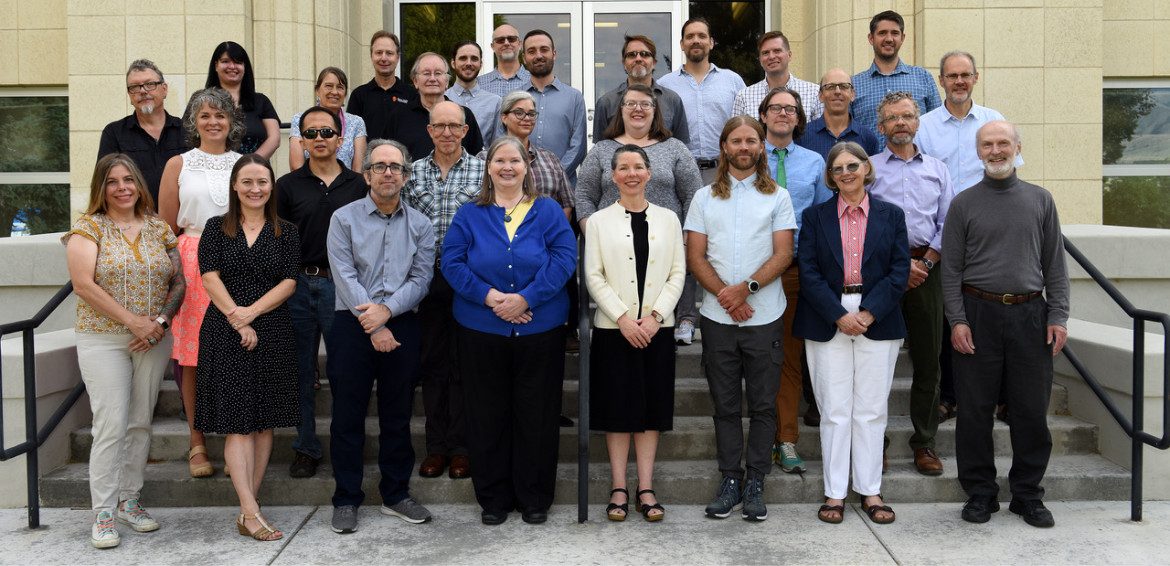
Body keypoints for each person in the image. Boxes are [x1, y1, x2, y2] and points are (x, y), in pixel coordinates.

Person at [441, 136, 577, 525]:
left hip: (541, 327)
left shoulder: (548, 210)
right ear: (488, 167)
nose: (507, 167)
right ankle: (494, 499)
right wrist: (491, 298)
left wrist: (526, 298)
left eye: (514, 160)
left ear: (526, 167)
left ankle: (534, 498)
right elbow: (451, 262)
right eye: (499, 160)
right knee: (487, 414)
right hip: (480, 328)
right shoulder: (469, 213)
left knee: (537, 414)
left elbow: (565, 258)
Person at [942, 120, 1069, 529]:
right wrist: (957, 321)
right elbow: (951, 271)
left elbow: (1055, 265)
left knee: (1031, 410)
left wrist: (1058, 316)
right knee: (975, 411)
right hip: (978, 313)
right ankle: (980, 493)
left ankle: (1028, 495)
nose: (995, 150)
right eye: (987, 144)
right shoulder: (963, 203)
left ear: (1017, 148)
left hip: (1031, 315)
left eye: (1003, 143)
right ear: (978, 152)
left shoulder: (1040, 200)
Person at [64, 154, 185, 549]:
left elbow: (178, 282)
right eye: (113, 181)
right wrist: (134, 322)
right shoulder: (88, 228)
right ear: (102, 187)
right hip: (104, 337)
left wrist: (160, 323)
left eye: (128, 179)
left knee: (139, 422)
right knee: (111, 423)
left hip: (153, 338)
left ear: (138, 184)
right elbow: (83, 285)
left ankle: (130, 500)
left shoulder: (158, 228)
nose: (122, 187)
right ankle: (103, 512)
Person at [685, 116, 796, 522]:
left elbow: (784, 253)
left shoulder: (778, 197)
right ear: (724, 147)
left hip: (764, 315)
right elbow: (695, 256)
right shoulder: (703, 198)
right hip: (717, 317)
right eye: (737, 140)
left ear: (761, 146)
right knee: (726, 405)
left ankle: (756, 482)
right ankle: (730, 479)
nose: (744, 146)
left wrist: (745, 289)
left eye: (751, 140)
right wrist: (727, 297)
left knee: (764, 406)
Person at [794, 141, 910, 525]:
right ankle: (835, 493)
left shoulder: (891, 216)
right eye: (837, 168)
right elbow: (807, 271)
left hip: (878, 315)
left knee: (872, 411)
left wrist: (868, 312)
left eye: (852, 165)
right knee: (835, 411)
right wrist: (838, 315)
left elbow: (899, 270)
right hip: (828, 316)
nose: (845, 173)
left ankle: (871, 490)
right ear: (830, 176)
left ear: (866, 168)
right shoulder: (815, 217)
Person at [326, 139, 437, 534]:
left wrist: (387, 313)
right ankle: (346, 498)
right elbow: (343, 274)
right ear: (366, 173)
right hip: (351, 325)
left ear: (406, 176)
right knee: (347, 417)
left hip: (402, 325)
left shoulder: (421, 225)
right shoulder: (343, 218)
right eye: (379, 166)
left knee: (397, 415)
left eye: (395, 167)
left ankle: (396, 494)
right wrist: (374, 322)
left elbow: (421, 278)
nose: (388, 172)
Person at [195, 154, 300, 541]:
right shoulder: (215, 228)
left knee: (264, 420)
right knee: (238, 422)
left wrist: (251, 314)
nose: (256, 189)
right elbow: (208, 276)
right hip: (224, 330)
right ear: (235, 186)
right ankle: (251, 511)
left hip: (272, 328)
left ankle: (248, 507)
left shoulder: (285, 231)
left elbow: (290, 281)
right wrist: (237, 319)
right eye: (248, 182)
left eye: (263, 182)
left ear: (272, 186)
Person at [914, 50, 1021, 423]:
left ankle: (1004, 397)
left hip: (992, 233)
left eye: (965, 75)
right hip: (947, 233)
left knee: (995, 313)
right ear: (940, 81)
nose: (958, 81)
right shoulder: (925, 126)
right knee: (949, 314)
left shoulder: (994, 122)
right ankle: (949, 396)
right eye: (951, 76)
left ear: (976, 78)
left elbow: (1010, 175)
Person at [585, 144, 686, 522]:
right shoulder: (597, 221)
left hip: (657, 329)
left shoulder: (669, 219)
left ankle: (645, 487)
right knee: (617, 411)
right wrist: (624, 318)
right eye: (623, 168)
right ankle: (618, 487)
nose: (631, 173)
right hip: (615, 331)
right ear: (613, 176)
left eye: (638, 167)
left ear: (648, 173)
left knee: (650, 410)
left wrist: (656, 316)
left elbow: (678, 272)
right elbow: (593, 275)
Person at [276, 106, 369, 478]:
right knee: (300, 371)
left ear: (340, 139)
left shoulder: (360, 185)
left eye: (326, 133)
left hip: (343, 287)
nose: (319, 139)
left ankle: (349, 445)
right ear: (301, 140)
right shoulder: (286, 185)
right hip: (297, 285)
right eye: (311, 133)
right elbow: (278, 240)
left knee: (348, 371)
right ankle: (306, 448)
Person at [158, 87, 244, 479]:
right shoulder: (179, 164)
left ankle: (232, 440)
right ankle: (196, 441)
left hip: (239, 258)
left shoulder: (246, 164)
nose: (213, 122)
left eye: (220, 115)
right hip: (191, 261)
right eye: (205, 115)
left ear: (232, 122)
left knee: (235, 352)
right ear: (194, 122)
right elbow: (165, 227)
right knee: (191, 358)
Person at [576, 84, 702, 345]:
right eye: (630, 103)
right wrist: (596, 233)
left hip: (663, 250)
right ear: (620, 111)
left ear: (655, 111)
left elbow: (693, 195)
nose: (638, 109)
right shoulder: (601, 150)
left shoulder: (675, 148)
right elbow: (584, 195)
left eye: (645, 104)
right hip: (614, 251)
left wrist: (686, 240)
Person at [868, 91, 954, 476]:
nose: (900, 123)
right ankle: (877, 444)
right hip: (883, 275)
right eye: (892, 118)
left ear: (917, 123)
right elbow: (861, 224)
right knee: (876, 364)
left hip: (928, 271)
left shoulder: (938, 169)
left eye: (907, 116)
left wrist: (925, 261)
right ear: (881, 126)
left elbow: (948, 223)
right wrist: (899, 269)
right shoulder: (868, 169)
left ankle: (924, 443)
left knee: (928, 360)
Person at [402, 101, 484, 480]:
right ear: (429, 130)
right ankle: (436, 448)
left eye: (455, 126)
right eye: (440, 126)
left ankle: (463, 448)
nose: (447, 133)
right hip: (427, 281)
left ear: (466, 131)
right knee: (434, 366)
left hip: (472, 282)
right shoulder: (412, 174)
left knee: (467, 366)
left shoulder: (485, 172)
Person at [757, 87, 833, 474]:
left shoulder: (815, 162)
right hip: (759, 272)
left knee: (794, 356)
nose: (783, 114)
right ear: (764, 116)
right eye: (776, 108)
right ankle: (767, 436)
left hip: (804, 272)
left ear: (799, 119)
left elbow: (824, 219)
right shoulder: (749, 160)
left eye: (790, 109)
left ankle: (785, 440)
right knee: (766, 357)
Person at [658, 17, 747, 186]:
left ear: (711, 42)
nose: (696, 40)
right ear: (682, 44)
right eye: (690, 36)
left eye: (702, 36)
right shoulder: (664, 85)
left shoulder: (733, 81)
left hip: (725, 171)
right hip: (680, 172)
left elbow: (747, 126)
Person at [98, 59, 187, 207]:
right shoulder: (113, 133)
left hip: (182, 223)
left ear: (164, 89)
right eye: (135, 87)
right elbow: (104, 183)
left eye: (150, 84)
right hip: (134, 223)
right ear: (129, 94)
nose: (143, 91)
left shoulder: (187, 131)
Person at [850, 11, 941, 145]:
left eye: (895, 33)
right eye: (882, 33)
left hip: (917, 163)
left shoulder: (923, 77)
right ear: (871, 38)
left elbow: (937, 124)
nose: (889, 39)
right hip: (871, 164)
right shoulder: (854, 84)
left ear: (902, 38)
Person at [480, 91, 573, 219]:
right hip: (496, 233)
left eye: (531, 114)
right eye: (519, 113)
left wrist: (553, 233)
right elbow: (478, 202)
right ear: (504, 117)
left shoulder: (551, 160)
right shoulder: (485, 159)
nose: (527, 118)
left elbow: (566, 204)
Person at [519, 29, 588, 187]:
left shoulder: (574, 97)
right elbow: (504, 141)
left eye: (544, 50)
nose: (538, 56)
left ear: (554, 54)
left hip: (562, 190)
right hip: (520, 188)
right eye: (531, 51)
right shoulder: (513, 98)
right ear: (524, 58)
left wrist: (553, 177)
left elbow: (578, 147)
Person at [593, 34, 690, 146]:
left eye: (644, 54)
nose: (638, 59)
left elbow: (682, 146)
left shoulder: (672, 100)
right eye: (632, 55)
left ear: (654, 63)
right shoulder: (606, 103)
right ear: (624, 63)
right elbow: (600, 150)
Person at [383, 52, 483, 160]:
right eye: (426, 73)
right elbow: (386, 157)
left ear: (447, 82)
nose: (432, 78)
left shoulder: (463, 115)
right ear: (415, 81)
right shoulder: (398, 116)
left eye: (438, 73)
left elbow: (477, 158)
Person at [204, 41, 280, 158]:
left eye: (238, 62)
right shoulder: (202, 100)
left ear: (245, 67)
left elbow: (274, 139)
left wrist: (248, 165)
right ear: (216, 66)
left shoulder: (261, 101)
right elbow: (188, 136)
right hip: (211, 170)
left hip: (255, 170)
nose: (232, 66)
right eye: (225, 61)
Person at [288, 67, 368, 171]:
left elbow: (359, 168)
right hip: (308, 185)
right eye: (329, 86)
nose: (334, 92)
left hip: (348, 185)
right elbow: (296, 166)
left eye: (340, 87)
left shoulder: (356, 122)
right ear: (317, 90)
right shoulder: (300, 120)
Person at [732, 31, 822, 122]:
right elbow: (735, 134)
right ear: (760, 60)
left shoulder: (814, 93)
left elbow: (821, 133)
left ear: (789, 55)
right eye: (766, 53)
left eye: (777, 51)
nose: (771, 56)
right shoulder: (744, 97)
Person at [796, 69, 882, 159]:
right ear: (820, 96)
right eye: (830, 87)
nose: (837, 91)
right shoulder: (802, 136)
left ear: (853, 94)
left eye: (844, 86)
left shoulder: (867, 138)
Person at [348, 31, 418, 140]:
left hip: (403, 156)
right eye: (379, 53)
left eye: (389, 53)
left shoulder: (412, 95)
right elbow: (351, 134)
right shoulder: (359, 95)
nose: (384, 58)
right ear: (371, 56)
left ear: (398, 57)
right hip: (368, 156)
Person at [446, 40, 502, 148]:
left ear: (480, 65)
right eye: (463, 58)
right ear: (453, 63)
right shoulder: (442, 99)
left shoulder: (495, 102)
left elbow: (498, 146)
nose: (468, 63)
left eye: (474, 59)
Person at [479, 24, 531, 97]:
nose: (506, 43)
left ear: (519, 44)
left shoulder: (534, 80)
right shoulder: (479, 84)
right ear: (493, 46)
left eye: (511, 39)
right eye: (500, 40)